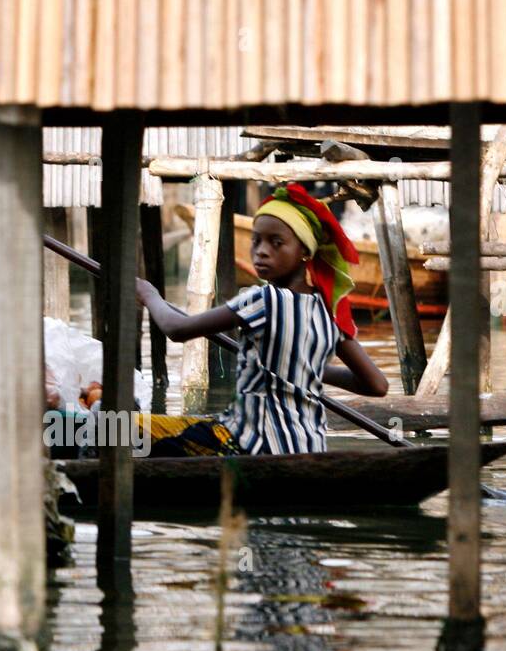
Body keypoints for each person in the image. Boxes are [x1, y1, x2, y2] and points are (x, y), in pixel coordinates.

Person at [135, 182, 388, 455]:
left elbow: (177, 329)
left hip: (249, 444)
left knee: (115, 430)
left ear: (305, 252)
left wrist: (150, 296)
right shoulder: (328, 309)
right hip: (308, 446)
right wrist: (300, 367)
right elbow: (377, 385)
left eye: (276, 243)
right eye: (256, 241)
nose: (261, 251)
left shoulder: (262, 300)